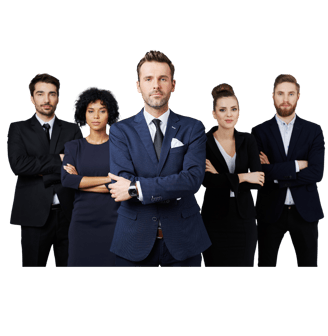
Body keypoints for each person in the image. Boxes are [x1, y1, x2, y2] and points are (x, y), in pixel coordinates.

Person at [107, 49, 211, 267]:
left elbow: (192, 180)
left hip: (184, 238)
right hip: (133, 238)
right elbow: (120, 181)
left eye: (163, 79)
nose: (156, 85)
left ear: (173, 85)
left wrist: (136, 189)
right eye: (148, 79)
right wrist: (172, 186)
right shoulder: (120, 131)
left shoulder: (193, 128)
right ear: (138, 86)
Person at [7, 73, 83, 267]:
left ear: (58, 98)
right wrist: (59, 159)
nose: (46, 99)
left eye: (52, 94)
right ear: (32, 98)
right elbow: (18, 165)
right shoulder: (18, 128)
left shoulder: (72, 129)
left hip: (69, 213)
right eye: (40, 94)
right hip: (33, 214)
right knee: (33, 272)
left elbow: (78, 166)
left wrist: (37, 167)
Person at [251, 74, 325, 268]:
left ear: (298, 96)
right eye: (281, 93)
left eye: (291, 94)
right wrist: (297, 165)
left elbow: (317, 173)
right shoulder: (259, 131)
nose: (285, 99)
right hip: (270, 210)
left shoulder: (314, 130)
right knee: (266, 265)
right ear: (272, 96)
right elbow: (259, 173)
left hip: (305, 212)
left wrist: (275, 173)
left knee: (308, 266)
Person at [201, 83, 264, 267]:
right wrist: (243, 177)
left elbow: (258, 181)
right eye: (223, 110)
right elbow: (206, 181)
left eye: (233, 109)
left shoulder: (248, 140)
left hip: (244, 220)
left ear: (238, 113)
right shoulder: (204, 142)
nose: (229, 114)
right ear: (214, 114)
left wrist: (220, 177)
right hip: (213, 221)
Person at [61, 86, 121, 267]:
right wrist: (107, 179)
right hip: (81, 222)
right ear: (83, 115)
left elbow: (124, 183)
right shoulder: (73, 147)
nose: (96, 116)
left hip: (114, 221)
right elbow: (67, 180)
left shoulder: (120, 146)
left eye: (102, 111)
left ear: (109, 114)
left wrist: (81, 180)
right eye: (91, 111)